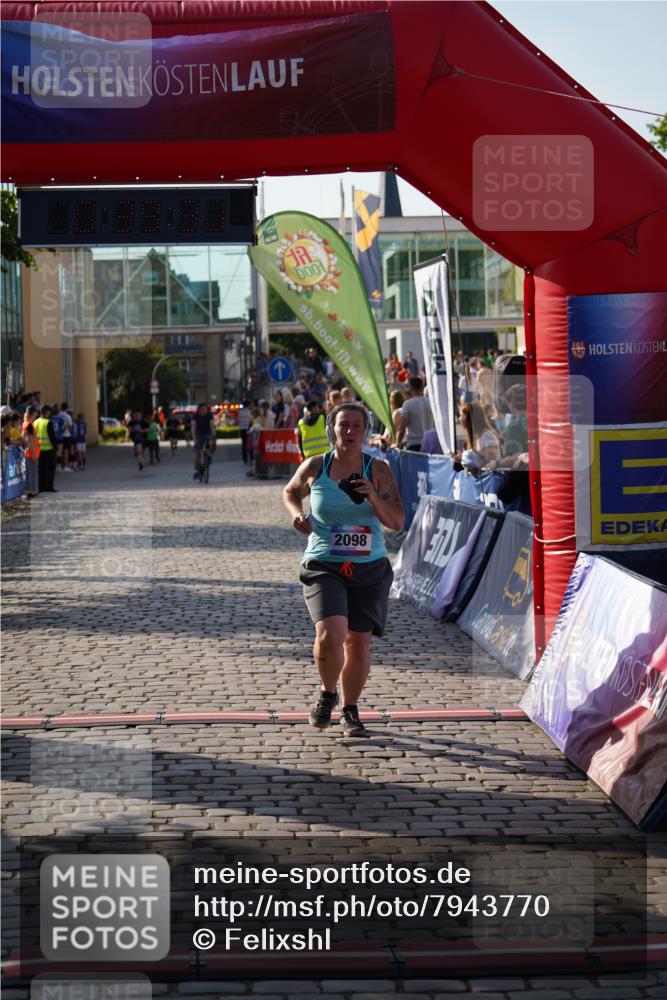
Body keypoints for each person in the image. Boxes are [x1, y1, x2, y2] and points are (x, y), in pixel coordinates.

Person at [283, 402, 404, 737]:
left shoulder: (377, 470)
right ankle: (327, 693)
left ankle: (350, 709)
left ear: (365, 432)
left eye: (356, 426)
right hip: (324, 562)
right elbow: (291, 490)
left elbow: (396, 521)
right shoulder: (316, 466)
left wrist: (373, 499)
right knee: (329, 633)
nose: (349, 432)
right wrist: (296, 512)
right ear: (331, 430)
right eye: (343, 425)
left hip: (370, 567)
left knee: (358, 642)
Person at [395, 375, 434, 451]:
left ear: (410, 387)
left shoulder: (408, 404)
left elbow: (402, 427)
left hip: (414, 444)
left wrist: (397, 444)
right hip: (429, 443)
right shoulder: (430, 402)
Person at [34, 405, 57, 492]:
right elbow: (52, 437)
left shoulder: (35, 422)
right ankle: (49, 487)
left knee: (41, 470)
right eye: (49, 411)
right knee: (50, 470)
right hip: (48, 450)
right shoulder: (48, 422)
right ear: (47, 412)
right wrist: (55, 448)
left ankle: (41, 488)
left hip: (38, 450)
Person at [190, 403, 216, 480]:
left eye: (205, 409)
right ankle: (195, 471)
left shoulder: (209, 415)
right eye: (202, 409)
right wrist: (194, 440)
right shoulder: (195, 416)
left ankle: (209, 455)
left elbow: (212, 425)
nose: (204, 411)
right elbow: (193, 428)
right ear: (199, 410)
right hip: (198, 435)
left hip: (207, 433)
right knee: (197, 453)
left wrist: (214, 436)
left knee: (211, 443)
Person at [22, 406, 40, 497]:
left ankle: (28, 490)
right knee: (33, 473)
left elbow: (26, 437)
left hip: (27, 452)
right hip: (31, 453)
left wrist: (36, 438)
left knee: (29, 473)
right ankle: (32, 491)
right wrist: (33, 454)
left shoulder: (25, 423)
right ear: (33, 413)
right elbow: (29, 440)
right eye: (36, 412)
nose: (37, 413)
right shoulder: (29, 424)